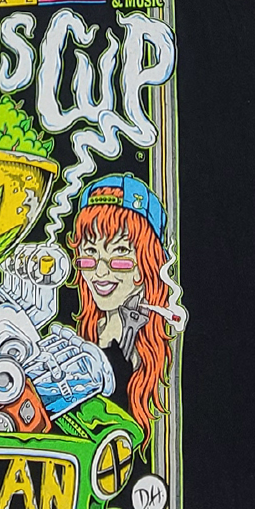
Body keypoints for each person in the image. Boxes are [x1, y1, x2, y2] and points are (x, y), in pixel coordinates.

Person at [69, 173, 174, 438]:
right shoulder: (91, 331)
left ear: (148, 261)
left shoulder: (155, 340)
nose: (100, 271)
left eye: (120, 252)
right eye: (90, 253)